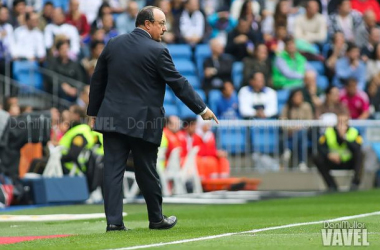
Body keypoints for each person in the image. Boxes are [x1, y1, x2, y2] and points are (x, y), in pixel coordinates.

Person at [87, 6, 218, 232]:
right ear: (147, 24)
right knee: (146, 171)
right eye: (161, 23)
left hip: (112, 119)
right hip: (143, 121)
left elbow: (97, 81)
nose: (165, 28)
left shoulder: (113, 44)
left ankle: (114, 222)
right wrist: (202, 108)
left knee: (112, 172)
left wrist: (93, 113)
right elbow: (178, 83)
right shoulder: (157, 50)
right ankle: (156, 219)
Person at [314, 113, 363, 191]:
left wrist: (344, 137)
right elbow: (320, 146)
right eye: (340, 122)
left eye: (344, 122)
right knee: (318, 158)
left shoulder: (354, 132)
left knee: (361, 155)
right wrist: (328, 154)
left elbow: (357, 148)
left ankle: (355, 183)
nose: (341, 125)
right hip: (333, 161)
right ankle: (332, 186)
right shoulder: (329, 132)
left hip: (348, 161)